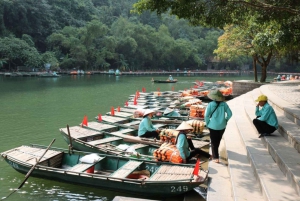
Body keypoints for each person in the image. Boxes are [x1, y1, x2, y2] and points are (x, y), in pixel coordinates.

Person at [204, 90, 232, 163]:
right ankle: (215, 153)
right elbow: (230, 114)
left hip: (212, 126)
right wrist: (225, 120)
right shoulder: (224, 104)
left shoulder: (210, 104)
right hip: (222, 126)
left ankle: (215, 157)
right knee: (218, 140)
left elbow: (206, 115)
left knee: (213, 141)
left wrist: (208, 123)